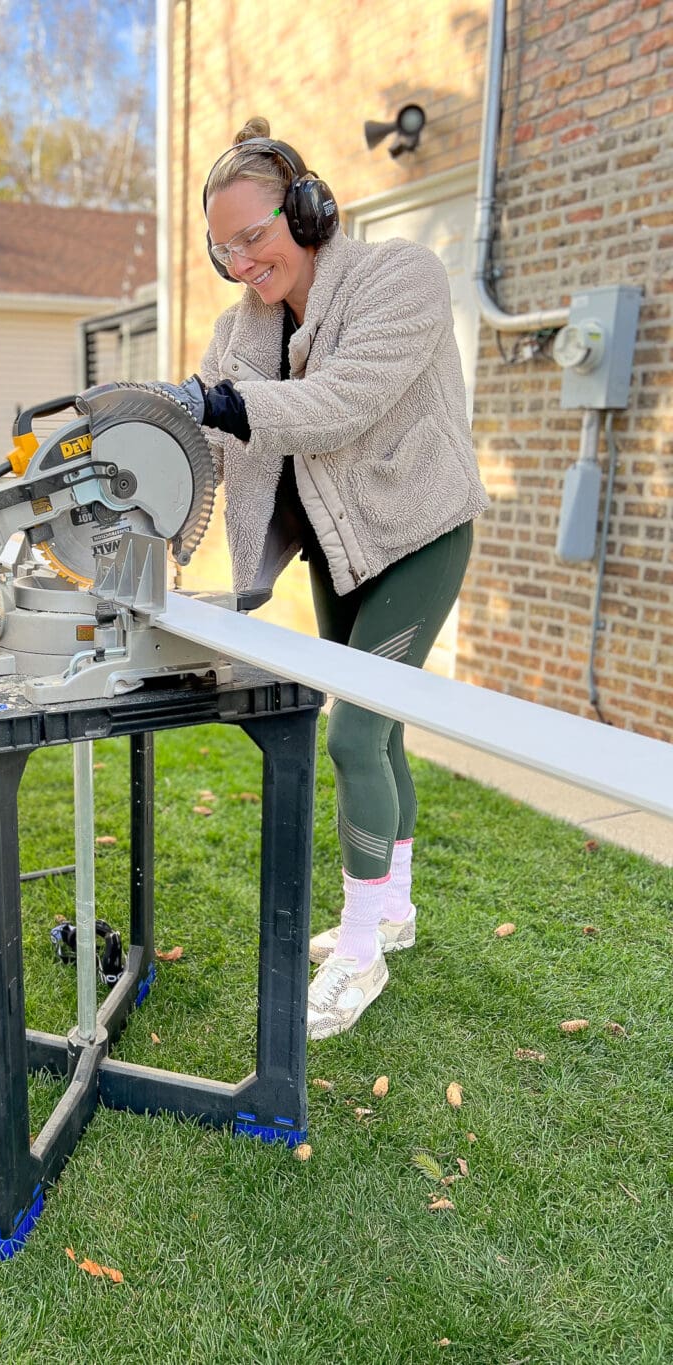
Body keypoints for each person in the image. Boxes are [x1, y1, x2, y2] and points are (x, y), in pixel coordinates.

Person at [158, 116, 489, 1039]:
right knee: (380, 738)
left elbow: (340, 403)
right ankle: (395, 908)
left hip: (418, 535)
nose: (242, 264)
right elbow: (214, 445)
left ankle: (359, 949)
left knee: (351, 739)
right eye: (224, 251)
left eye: (254, 238)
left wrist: (220, 399)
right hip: (340, 548)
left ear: (306, 208)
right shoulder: (243, 327)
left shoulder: (401, 277)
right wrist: (161, 518)